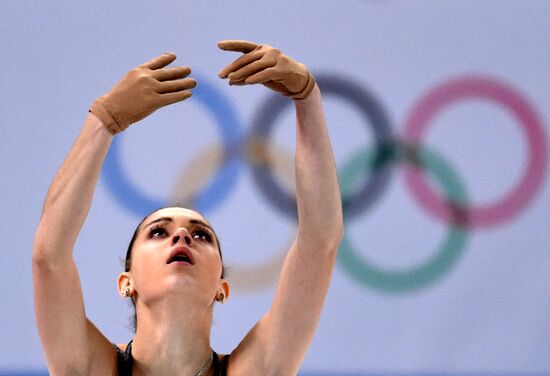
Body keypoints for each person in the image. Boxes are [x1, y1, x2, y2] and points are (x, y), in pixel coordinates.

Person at [32, 40, 344, 376]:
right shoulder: (91, 368)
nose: (182, 235)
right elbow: (49, 257)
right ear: (126, 282)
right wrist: (103, 120)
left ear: (221, 288)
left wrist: (308, 97)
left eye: (201, 235)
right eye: (157, 232)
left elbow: (319, 243)